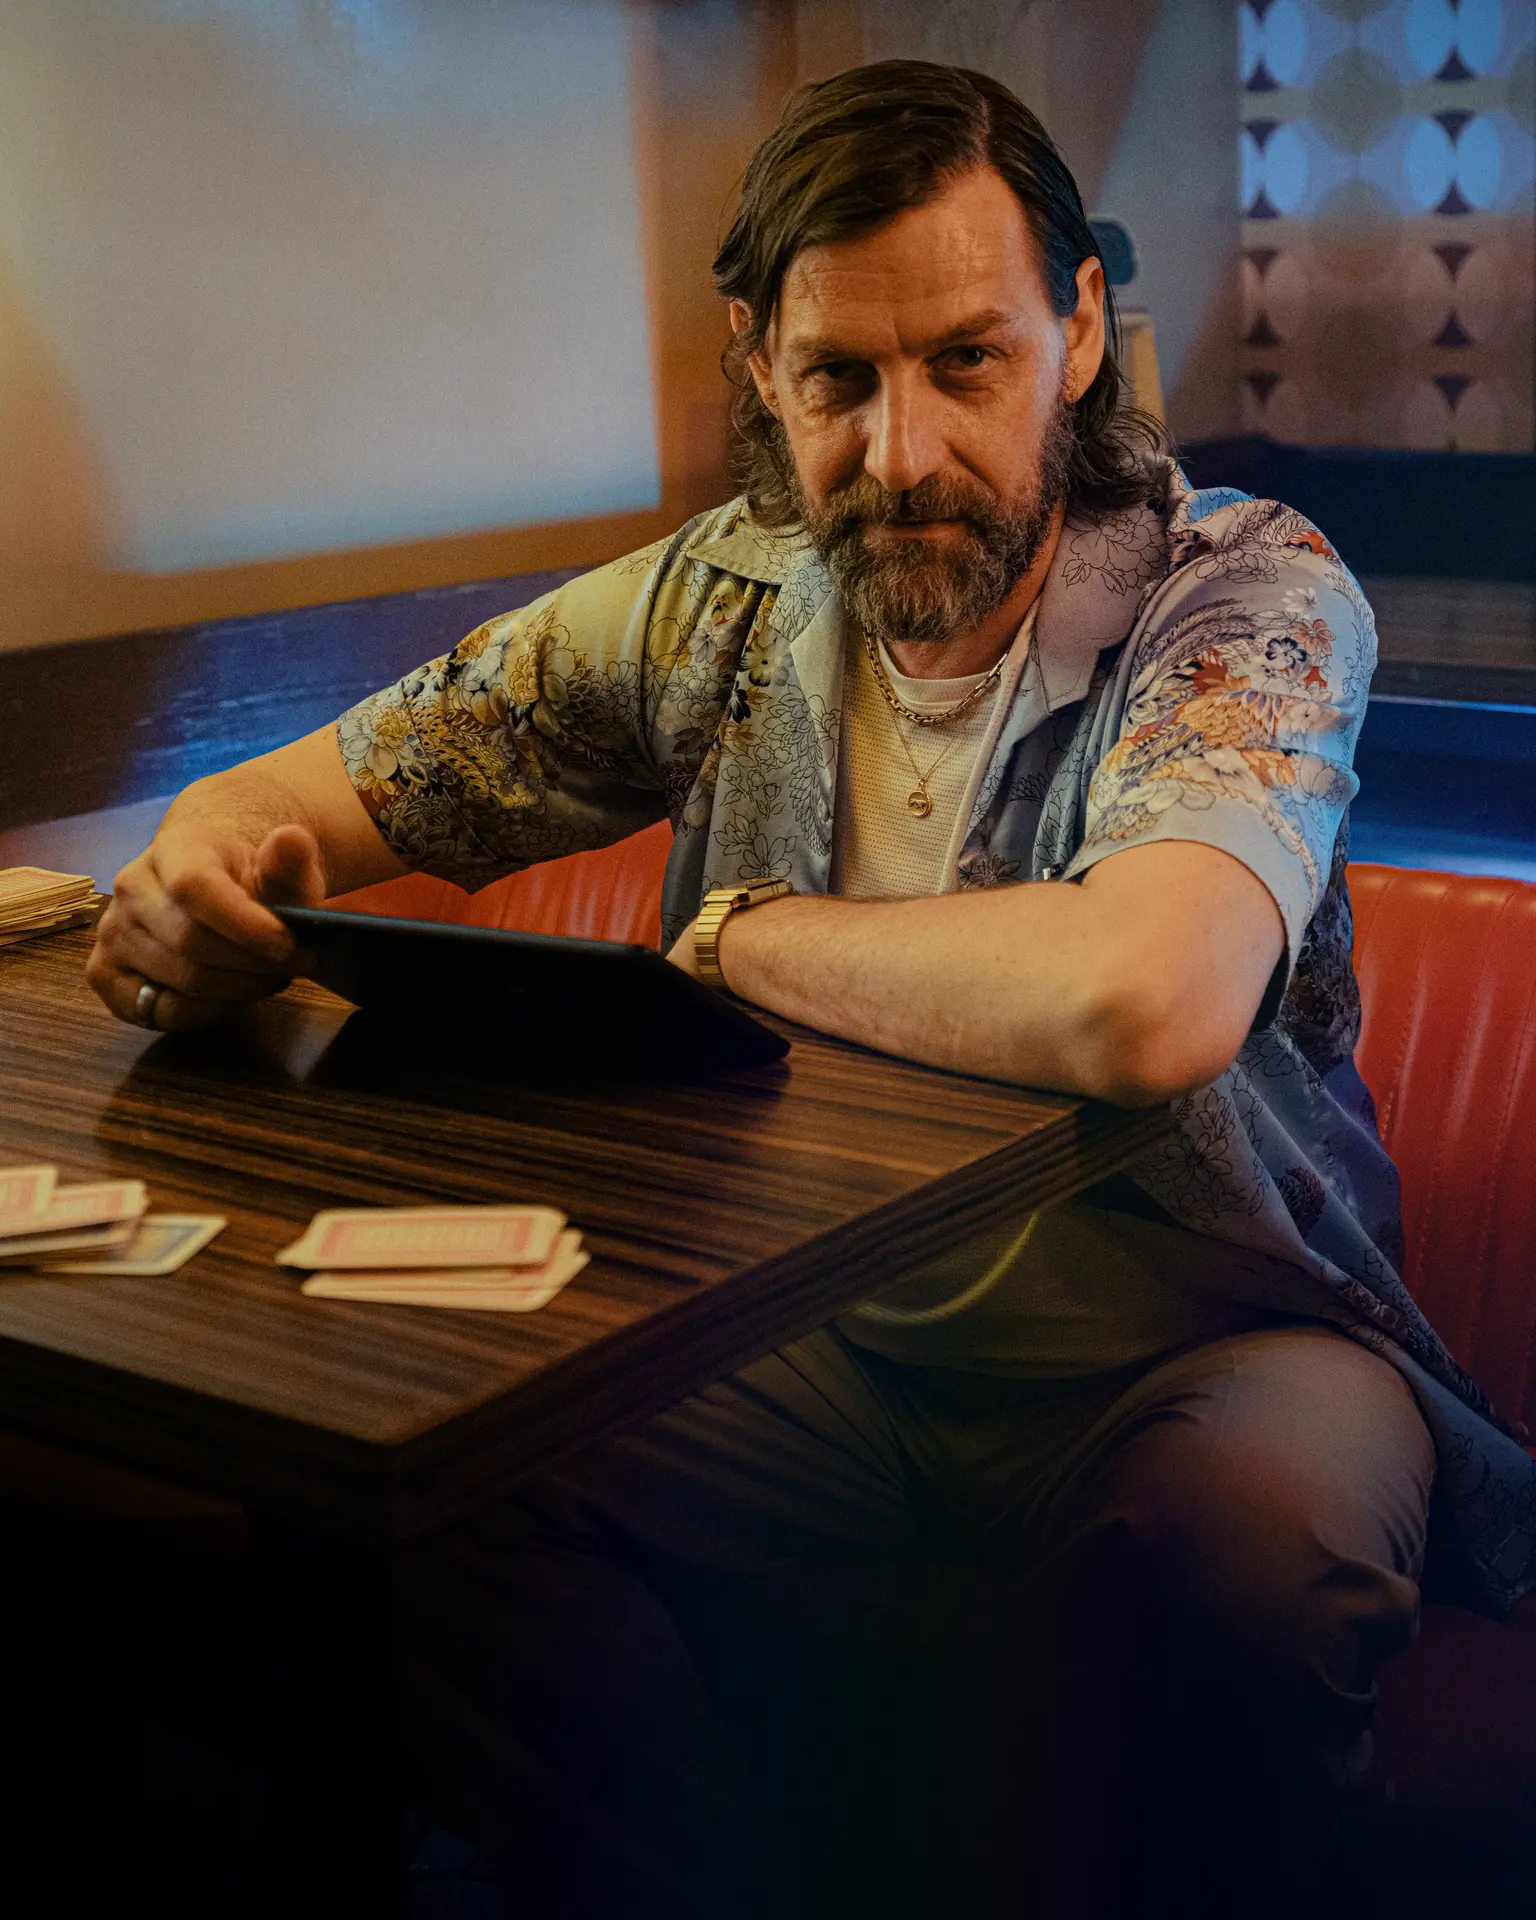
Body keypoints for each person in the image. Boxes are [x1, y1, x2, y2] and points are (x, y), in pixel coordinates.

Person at [88, 60, 1534, 1919]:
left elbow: (1147, 1000)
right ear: (761, 365)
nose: (904, 450)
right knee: (411, 1479)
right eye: (841, 380)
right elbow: (285, 798)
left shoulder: (1240, 591)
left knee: (1252, 1561)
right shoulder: (722, 606)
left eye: (968, 363)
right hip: (803, 1332)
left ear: (1080, 328)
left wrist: (738, 940)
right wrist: (195, 883)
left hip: (1215, 1323)